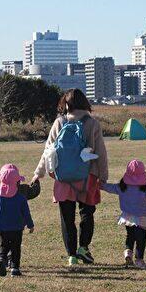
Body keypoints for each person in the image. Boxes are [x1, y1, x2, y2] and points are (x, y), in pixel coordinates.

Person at [32, 88, 108, 267]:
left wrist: (38, 173)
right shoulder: (92, 123)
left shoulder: (60, 122)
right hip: (88, 176)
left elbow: (48, 151)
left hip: (63, 177)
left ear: (66, 104)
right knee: (87, 213)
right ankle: (84, 247)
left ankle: (71, 255)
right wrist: (103, 176)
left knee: (67, 218)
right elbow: (101, 152)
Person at [101, 159, 146, 269]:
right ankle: (139, 259)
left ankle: (128, 252)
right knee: (141, 239)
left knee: (130, 236)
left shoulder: (122, 187)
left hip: (128, 217)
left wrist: (101, 185)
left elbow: (110, 187)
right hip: (141, 217)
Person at [0, 164, 35, 277]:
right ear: (17, 183)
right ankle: (15, 268)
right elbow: (26, 213)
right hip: (17, 228)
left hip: (3, 228)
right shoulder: (21, 198)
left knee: (3, 246)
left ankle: (1, 259)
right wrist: (30, 225)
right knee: (15, 248)